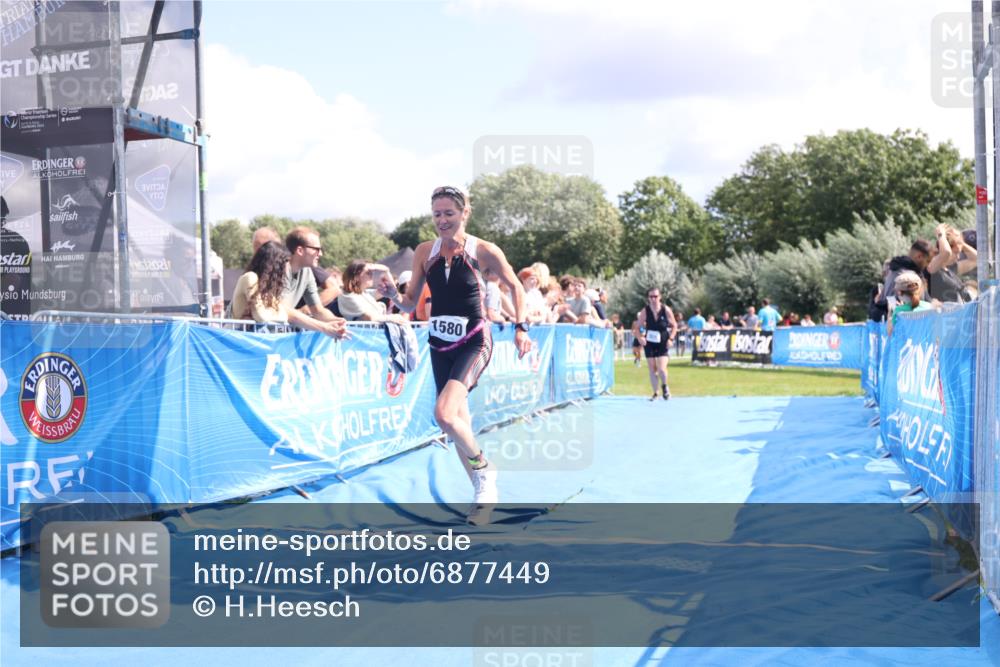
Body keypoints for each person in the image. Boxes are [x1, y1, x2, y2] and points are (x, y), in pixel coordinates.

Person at [378, 185, 531, 525]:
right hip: (440, 344)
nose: (442, 220)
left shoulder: (485, 250)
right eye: (436, 214)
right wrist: (393, 294)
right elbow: (410, 302)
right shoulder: (423, 251)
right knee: (458, 423)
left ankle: (485, 470)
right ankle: (482, 496)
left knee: (444, 416)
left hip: (475, 341)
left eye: (449, 213)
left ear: (465, 213)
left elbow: (515, 287)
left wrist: (521, 327)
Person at [282, 227, 350, 338]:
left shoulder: (307, 272)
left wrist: (337, 321)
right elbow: (285, 311)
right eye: (317, 249)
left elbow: (318, 311)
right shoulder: (277, 270)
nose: (321, 254)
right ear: (300, 250)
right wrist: (324, 327)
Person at [230, 242, 294, 325]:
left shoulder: (266, 287)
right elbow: (261, 317)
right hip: (239, 335)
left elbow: (284, 316)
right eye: (286, 261)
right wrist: (275, 313)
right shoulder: (251, 277)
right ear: (277, 264)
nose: (288, 266)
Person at [632, 287, 676, 400]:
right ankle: (655, 393)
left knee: (661, 368)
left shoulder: (666, 310)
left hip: (663, 341)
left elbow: (674, 325)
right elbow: (637, 328)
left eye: (655, 296)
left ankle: (665, 387)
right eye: (651, 297)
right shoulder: (645, 311)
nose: (653, 299)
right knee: (652, 368)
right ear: (648, 298)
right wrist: (640, 337)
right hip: (650, 342)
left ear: (660, 297)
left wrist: (671, 338)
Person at [337, 260, 410, 324]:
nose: (372, 275)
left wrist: (386, 271)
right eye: (368, 272)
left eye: (372, 272)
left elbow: (392, 291)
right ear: (356, 276)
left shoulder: (364, 294)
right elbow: (370, 318)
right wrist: (393, 317)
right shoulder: (347, 296)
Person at [888, 271, 933, 336]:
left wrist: (890, 313)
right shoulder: (930, 307)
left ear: (899, 292)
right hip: (925, 345)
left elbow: (890, 332)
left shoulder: (899, 311)